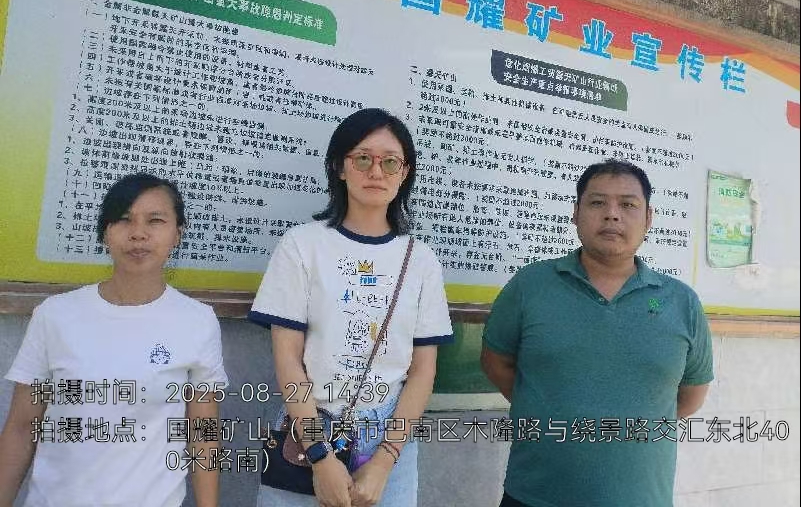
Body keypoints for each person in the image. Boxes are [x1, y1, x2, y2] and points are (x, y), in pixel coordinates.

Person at [249, 108, 453, 507]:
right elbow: (288, 358)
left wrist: (384, 462)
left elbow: (423, 370)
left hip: (389, 435)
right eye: (362, 158)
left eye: (390, 162)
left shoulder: (421, 260)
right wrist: (319, 455)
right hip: (309, 427)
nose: (376, 171)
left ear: (404, 173)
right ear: (339, 167)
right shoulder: (302, 245)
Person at [481, 159, 714, 507]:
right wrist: (546, 406)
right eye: (597, 202)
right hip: (534, 496)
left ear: (649, 218)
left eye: (628, 205)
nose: (612, 215)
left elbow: (690, 397)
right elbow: (495, 362)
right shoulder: (530, 285)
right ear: (575, 213)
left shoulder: (682, 302)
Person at [0, 172, 228, 507]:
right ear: (105, 233)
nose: (138, 233)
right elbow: (22, 427)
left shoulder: (198, 321)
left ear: (178, 233)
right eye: (123, 219)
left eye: (155, 220)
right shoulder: (55, 314)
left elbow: (202, 433)